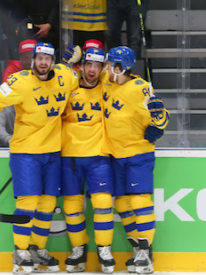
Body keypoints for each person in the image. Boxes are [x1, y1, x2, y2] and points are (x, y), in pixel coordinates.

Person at [0, 42, 80, 274]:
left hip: (53, 152)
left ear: (53, 61)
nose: (42, 63)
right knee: (27, 204)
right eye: (39, 58)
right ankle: (20, 251)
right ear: (32, 59)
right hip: (26, 152)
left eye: (47, 59)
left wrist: (75, 59)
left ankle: (38, 249)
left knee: (47, 205)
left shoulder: (65, 76)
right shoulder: (18, 82)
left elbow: (87, 77)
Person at [102, 46, 169, 274]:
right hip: (116, 155)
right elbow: (86, 73)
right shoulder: (108, 81)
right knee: (121, 203)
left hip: (138, 153)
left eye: (109, 64)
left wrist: (159, 124)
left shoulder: (140, 88)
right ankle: (138, 250)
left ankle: (145, 250)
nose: (105, 67)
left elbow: (161, 113)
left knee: (139, 201)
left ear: (119, 68)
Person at [60, 48, 115, 273]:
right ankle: (78, 249)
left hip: (98, 155)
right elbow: (48, 83)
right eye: (88, 64)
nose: (92, 70)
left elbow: (127, 76)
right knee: (72, 206)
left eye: (97, 66)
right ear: (81, 65)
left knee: (102, 204)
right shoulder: (69, 86)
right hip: (70, 155)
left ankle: (104, 249)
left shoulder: (106, 85)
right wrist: (62, 64)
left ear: (102, 68)